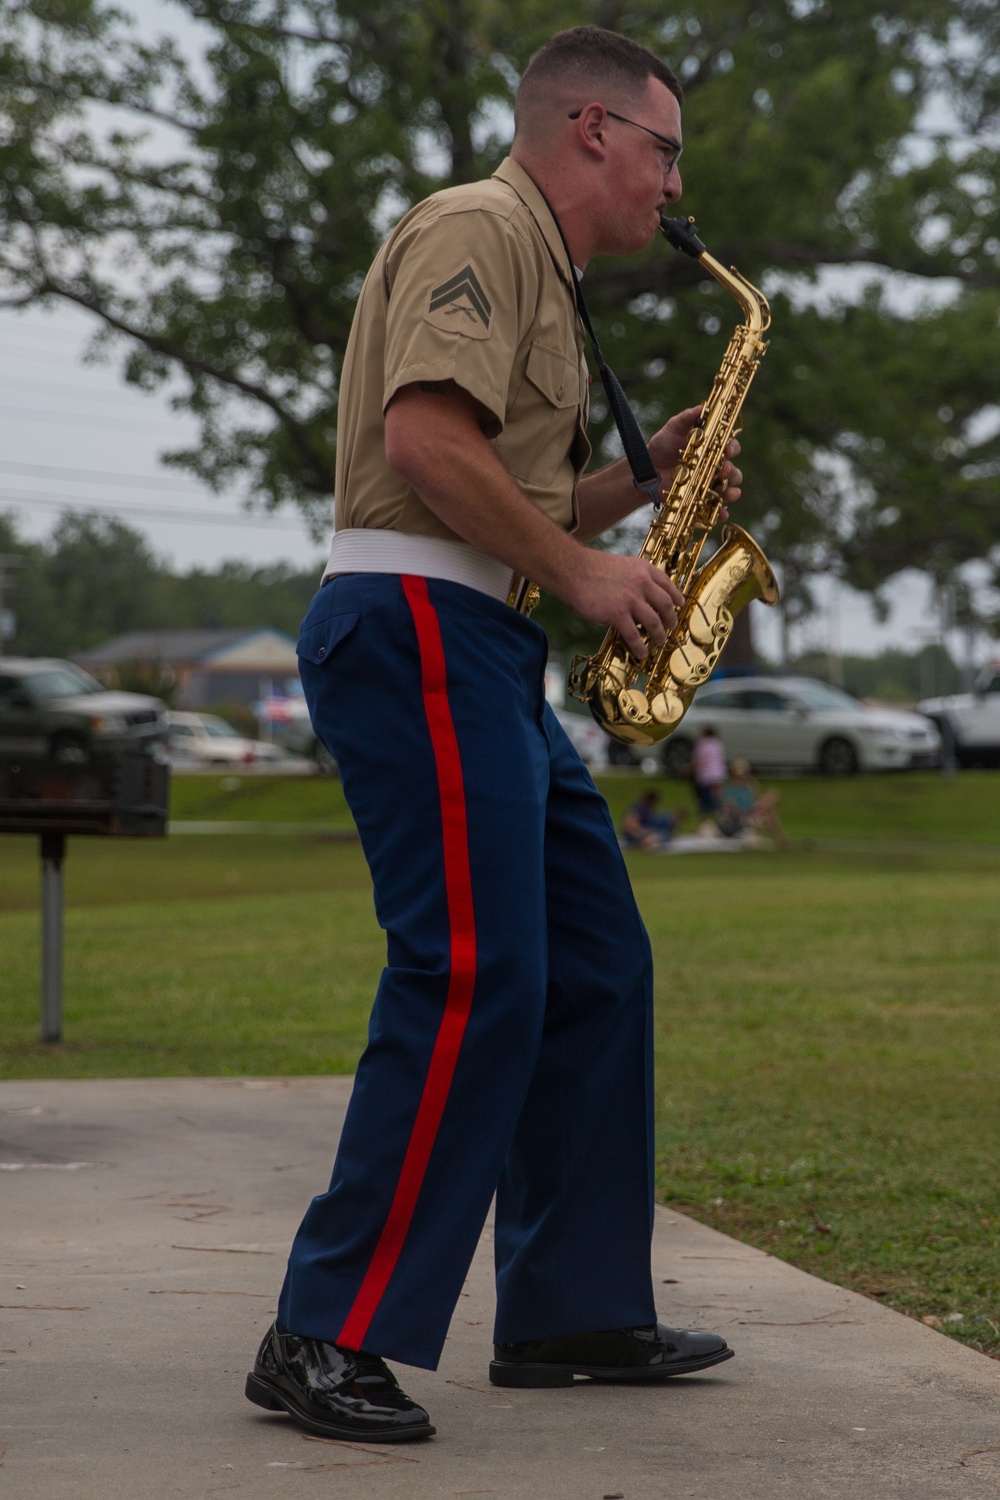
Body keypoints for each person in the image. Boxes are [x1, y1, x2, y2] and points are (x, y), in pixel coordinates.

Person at [245, 26, 743, 1444]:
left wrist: (633, 486)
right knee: (473, 972)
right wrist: (591, 575)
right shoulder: (480, 226)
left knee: (594, 962)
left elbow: (501, 489)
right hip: (415, 628)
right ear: (593, 131)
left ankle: (572, 1308)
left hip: (481, 638)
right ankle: (321, 1330)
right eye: (665, 148)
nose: (671, 182)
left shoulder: (547, 266)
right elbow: (425, 447)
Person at [718, 758, 790, 849]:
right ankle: (780, 837)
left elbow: (755, 800)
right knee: (768, 811)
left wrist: (754, 787)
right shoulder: (730, 790)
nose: (743, 776)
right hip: (742, 816)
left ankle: (780, 838)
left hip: (751, 811)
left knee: (772, 800)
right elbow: (733, 809)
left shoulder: (747, 788)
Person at [621, 788, 685, 851]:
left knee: (665, 830)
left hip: (647, 830)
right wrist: (642, 834)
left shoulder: (648, 810)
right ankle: (645, 844)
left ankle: (647, 842)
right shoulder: (639, 809)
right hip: (637, 834)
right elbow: (630, 825)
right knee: (659, 835)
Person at [690, 724, 727, 821]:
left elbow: (698, 760)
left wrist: (691, 771)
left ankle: (713, 813)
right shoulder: (718, 744)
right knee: (715, 795)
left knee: (707, 797)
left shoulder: (702, 744)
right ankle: (715, 813)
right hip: (719, 774)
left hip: (706, 776)